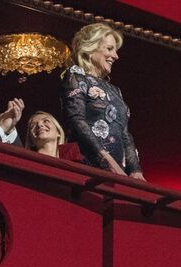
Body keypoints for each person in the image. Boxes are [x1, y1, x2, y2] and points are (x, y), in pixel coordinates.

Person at [61, 23, 144, 180]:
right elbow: (76, 120)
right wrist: (105, 158)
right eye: (109, 49)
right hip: (88, 166)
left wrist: (135, 170)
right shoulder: (75, 77)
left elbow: (125, 133)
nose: (116, 56)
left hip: (118, 172)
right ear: (90, 49)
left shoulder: (115, 90)